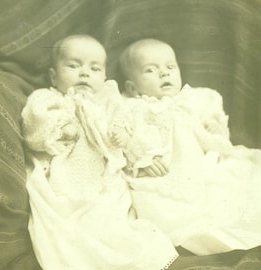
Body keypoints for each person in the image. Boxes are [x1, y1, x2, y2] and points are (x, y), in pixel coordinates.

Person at [116, 38, 261, 256]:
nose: (164, 74)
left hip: (203, 166)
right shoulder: (133, 108)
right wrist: (141, 158)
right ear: (132, 87)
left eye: (170, 67)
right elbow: (126, 139)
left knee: (242, 180)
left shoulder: (195, 99)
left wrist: (215, 127)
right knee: (162, 210)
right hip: (164, 175)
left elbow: (215, 136)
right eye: (150, 70)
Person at [21, 35, 179, 270]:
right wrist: (62, 128)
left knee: (113, 219)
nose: (84, 73)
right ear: (54, 76)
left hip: (107, 178)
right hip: (66, 172)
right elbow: (34, 122)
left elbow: (128, 126)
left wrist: (124, 135)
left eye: (94, 68)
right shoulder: (50, 98)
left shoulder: (109, 102)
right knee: (70, 222)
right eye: (74, 66)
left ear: (104, 77)